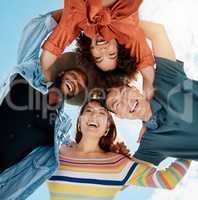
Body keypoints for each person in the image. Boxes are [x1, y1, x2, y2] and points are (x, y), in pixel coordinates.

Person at [0, 12, 88, 200]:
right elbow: (35, 30)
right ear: (62, 72)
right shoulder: (29, 72)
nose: (76, 82)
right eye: (74, 75)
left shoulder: (61, 129)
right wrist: (75, 11)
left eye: (81, 85)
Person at [47, 99, 191, 200]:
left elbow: (168, 180)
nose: (94, 115)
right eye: (88, 110)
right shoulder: (56, 152)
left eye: (102, 113)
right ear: (79, 122)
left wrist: (192, 143)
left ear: (107, 128)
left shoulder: (117, 165)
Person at [106, 21, 198, 166]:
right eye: (117, 104)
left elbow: (157, 32)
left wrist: (109, 24)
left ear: (135, 89)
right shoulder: (151, 144)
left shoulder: (164, 80)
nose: (125, 101)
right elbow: (126, 180)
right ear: (119, 116)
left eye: (124, 93)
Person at [40, 0, 155, 100]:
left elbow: (54, 46)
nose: (103, 50)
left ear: (90, 51)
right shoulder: (127, 26)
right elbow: (148, 73)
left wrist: (46, 80)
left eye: (98, 58)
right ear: (119, 46)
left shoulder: (77, 19)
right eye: (111, 54)